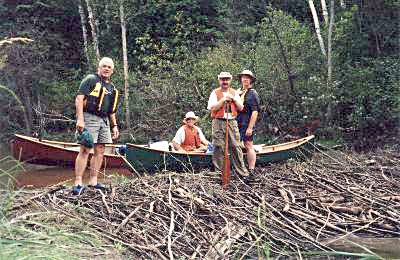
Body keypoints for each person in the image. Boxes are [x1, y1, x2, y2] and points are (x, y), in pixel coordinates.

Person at [73, 57, 120, 195]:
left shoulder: (111, 88)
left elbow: (111, 110)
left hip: (104, 120)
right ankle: (78, 182)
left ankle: (93, 181)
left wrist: (114, 126)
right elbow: (79, 99)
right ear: (99, 68)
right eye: (104, 66)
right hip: (89, 118)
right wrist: (80, 119)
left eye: (109, 67)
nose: (106, 69)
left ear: (112, 70)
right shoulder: (91, 80)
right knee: (85, 149)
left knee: (100, 150)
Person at [207, 71, 250, 183]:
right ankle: (218, 174)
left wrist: (234, 99)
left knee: (236, 146)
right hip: (218, 122)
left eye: (227, 79)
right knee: (218, 147)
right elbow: (212, 109)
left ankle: (242, 173)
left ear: (230, 80)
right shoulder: (214, 93)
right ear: (219, 80)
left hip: (231, 121)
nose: (225, 81)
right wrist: (222, 100)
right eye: (222, 79)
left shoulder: (234, 92)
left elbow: (241, 108)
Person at [236, 70, 261, 175]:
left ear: (251, 80)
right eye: (243, 77)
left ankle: (251, 169)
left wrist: (250, 127)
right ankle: (238, 166)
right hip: (238, 122)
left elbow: (255, 112)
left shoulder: (252, 93)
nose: (245, 79)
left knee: (248, 144)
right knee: (236, 144)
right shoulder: (239, 92)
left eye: (247, 77)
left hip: (247, 123)